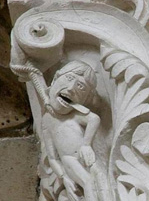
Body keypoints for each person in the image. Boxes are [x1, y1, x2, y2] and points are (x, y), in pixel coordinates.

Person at [41, 61, 100, 201]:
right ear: (55, 78)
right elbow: (53, 158)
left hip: (85, 158)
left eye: (80, 87)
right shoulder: (47, 120)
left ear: (85, 100)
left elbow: (94, 119)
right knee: (89, 182)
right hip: (69, 160)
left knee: (101, 179)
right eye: (69, 78)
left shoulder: (76, 115)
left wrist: (86, 144)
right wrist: (64, 178)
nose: (71, 88)